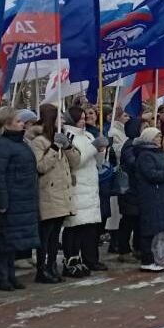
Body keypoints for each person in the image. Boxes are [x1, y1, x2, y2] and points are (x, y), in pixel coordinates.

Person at [0, 109, 41, 291]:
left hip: (22, 198)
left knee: (13, 241)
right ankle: (2, 277)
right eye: (18, 121)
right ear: (6, 123)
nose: (22, 124)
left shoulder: (20, 143)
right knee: (4, 241)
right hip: (10, 199)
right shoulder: (0, 145)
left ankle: (10, 275)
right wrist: (2, 201)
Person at [29, 104, 78, 283]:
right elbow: (40, 166)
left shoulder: (59, 137)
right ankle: (41, 269)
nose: (63, 121)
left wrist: (67, 146)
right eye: (59, 118)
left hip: (61, 193)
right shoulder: (39, 141)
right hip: (48, 193)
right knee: (46, 234)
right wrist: (55, 148)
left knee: (54, 234)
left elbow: (75, 162)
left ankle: (51, 266)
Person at [132, 127, 164, 272]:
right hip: (152, 197)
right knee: (150, 229)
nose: (160, 139)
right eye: (157, 137)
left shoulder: (157, 153)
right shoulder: (145, 156)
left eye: (160, 136)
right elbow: (152, 175)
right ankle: (147, 260)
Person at [62, 105, 103, 275]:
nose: (84, 122)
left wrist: (101, 149)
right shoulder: (68, 136)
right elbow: (75, 160)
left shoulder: (87, 134)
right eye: (81, 119)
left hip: (90, 186)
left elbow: (96, 160)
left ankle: (91, 259)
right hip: (77, 186)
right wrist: (94, 147)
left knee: (90, 227)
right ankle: (71, 259)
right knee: (75, 227)